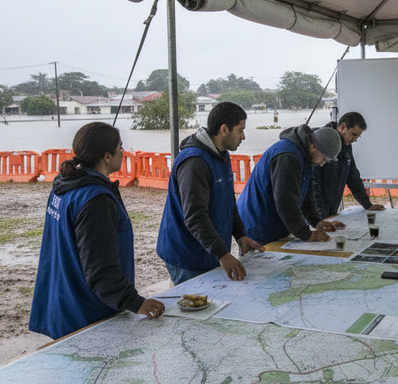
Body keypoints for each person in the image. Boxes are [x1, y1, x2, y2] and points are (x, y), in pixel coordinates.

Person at [29, 122, 165, 340]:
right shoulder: (96, 199)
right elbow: (101, 270)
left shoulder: (65, 185)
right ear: (107, 156)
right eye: (120, 147)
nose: (124, 151)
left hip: (62, 303)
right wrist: (136, 303)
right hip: (86, 314)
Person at [156, 102, 264, 286]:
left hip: (209, 252)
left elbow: (229, 200)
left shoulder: (221, 154)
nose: (243, 136)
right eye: (240, 130)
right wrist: (223, 254)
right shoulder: (194, 162)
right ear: (223, 130)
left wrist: (240, 235)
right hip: (188, 256)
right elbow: (195, 216)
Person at [238, 124, 341, 244]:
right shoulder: (288, 156)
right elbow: (286, 202)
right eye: (323, 159)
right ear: (314, 146)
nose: (322, 164)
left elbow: (306, 194)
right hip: (257, 224)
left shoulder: (306, 156)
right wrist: (305, 234)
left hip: (275, 226)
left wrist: (316, 221)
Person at [301, 112, 385, 231]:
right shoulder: (322, 143)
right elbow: (313, 187)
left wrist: (367, 204)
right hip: (315, 217)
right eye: (353, 134)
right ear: (343, 126)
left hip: (331, 212)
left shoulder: (346, 146)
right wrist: (321, 219)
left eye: (357, 137)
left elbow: (353, 177)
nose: (355, 140)